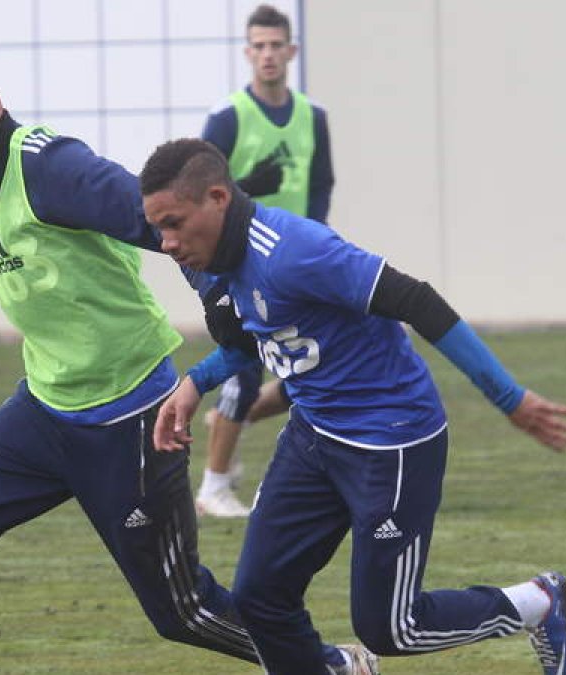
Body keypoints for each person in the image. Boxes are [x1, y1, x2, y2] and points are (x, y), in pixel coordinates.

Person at [0, 59, 378, 675]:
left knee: (182, 611)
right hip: (44, 412)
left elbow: (157, 218)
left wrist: (215, 288)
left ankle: (329, 666)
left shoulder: (50, 166)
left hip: (134, 415)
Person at [140, 137, 566, 675]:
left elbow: (418, 301)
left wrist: (510, 399)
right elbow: (251, 340)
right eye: (157, 228)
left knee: (392, 628)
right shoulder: (211, 261)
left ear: (217, 198)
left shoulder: (295, 251)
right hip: (313, 436)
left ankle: (540, 603)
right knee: (259, 597)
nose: (164, 243)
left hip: (389, 442)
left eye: (174, 223)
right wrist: (195, 382)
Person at [195, 3, 336, 518]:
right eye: (260, 45)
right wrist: (252, 187)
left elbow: (320, 188)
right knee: (246, 368)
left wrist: (321, 249)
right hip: (241, 262)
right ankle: (213, 485)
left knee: (312, 363)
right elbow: (198, 190)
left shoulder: (313, 118)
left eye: (277, 45)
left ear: (291, 51)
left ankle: (229, 426)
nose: (269, 54)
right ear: (247, 52)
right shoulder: (229, 117)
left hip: (298, 264)